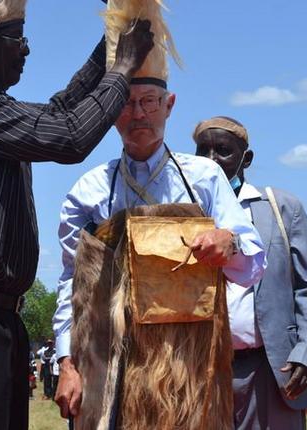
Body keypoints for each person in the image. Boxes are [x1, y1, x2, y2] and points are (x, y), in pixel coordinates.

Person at [0, 0, 155, 428]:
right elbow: (68, 137)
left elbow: (59, 113)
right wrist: (123, 67)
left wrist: (112, 43)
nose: (25, 50)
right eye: (16, 40)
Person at [53, 42, 266, 428]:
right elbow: (72, 285)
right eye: (125, 102)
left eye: (149, 102)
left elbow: (252, 263)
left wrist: (228, 243)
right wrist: (67, 363)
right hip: (111, 369)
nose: (138, 114)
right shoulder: (90, 192)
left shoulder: (204, 179)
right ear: (109, 112)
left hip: (191, 372)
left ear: (169, 105)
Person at [193, 116, 307, 429]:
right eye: (204, 152)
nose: (212, 160)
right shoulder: (184, 212)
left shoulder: (280, 209)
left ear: (246, 158)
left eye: (223, 151)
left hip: (271, 369)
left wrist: (306, 355)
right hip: (202, 368)